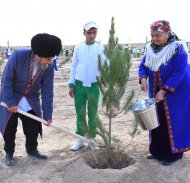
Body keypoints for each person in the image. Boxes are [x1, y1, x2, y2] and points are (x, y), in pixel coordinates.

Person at [0, 33, 62, 166]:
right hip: (12, 96)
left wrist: (48, 114)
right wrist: (10, 102)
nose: (51, 62)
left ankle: (32, 150)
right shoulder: (18, 56)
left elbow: (47, 91)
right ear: (38, 55)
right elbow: (6, 80)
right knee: (9, 127)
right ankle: (9, 153)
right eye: (48, 58)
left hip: (31, 99)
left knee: (33, 127)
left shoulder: (49, 67)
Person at [139, 20, 190, 166]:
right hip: (155, 90)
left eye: (158, 35)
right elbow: (143, 65)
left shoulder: (178, 48)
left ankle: (173, 155)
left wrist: (165, 90)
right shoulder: (149, 48)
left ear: (167, 33)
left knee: (173, 121)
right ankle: (156, 151)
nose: (154, 38)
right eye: (152, 35)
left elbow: (179, 72)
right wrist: (143, 78)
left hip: (176, 92)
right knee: (156, 120)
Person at [68, 21, 107, 151]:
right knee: (80, 112)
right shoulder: (78, 48)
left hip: (93, 86)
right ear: (84, 33)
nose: (92, 35)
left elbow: (106, 63)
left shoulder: (100, 48)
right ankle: (80, 139)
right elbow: (73, 66)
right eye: (89, 32)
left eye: (94, 33)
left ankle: (91, 140)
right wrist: (71, 84)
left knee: (92, 114)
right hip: (79, 86)